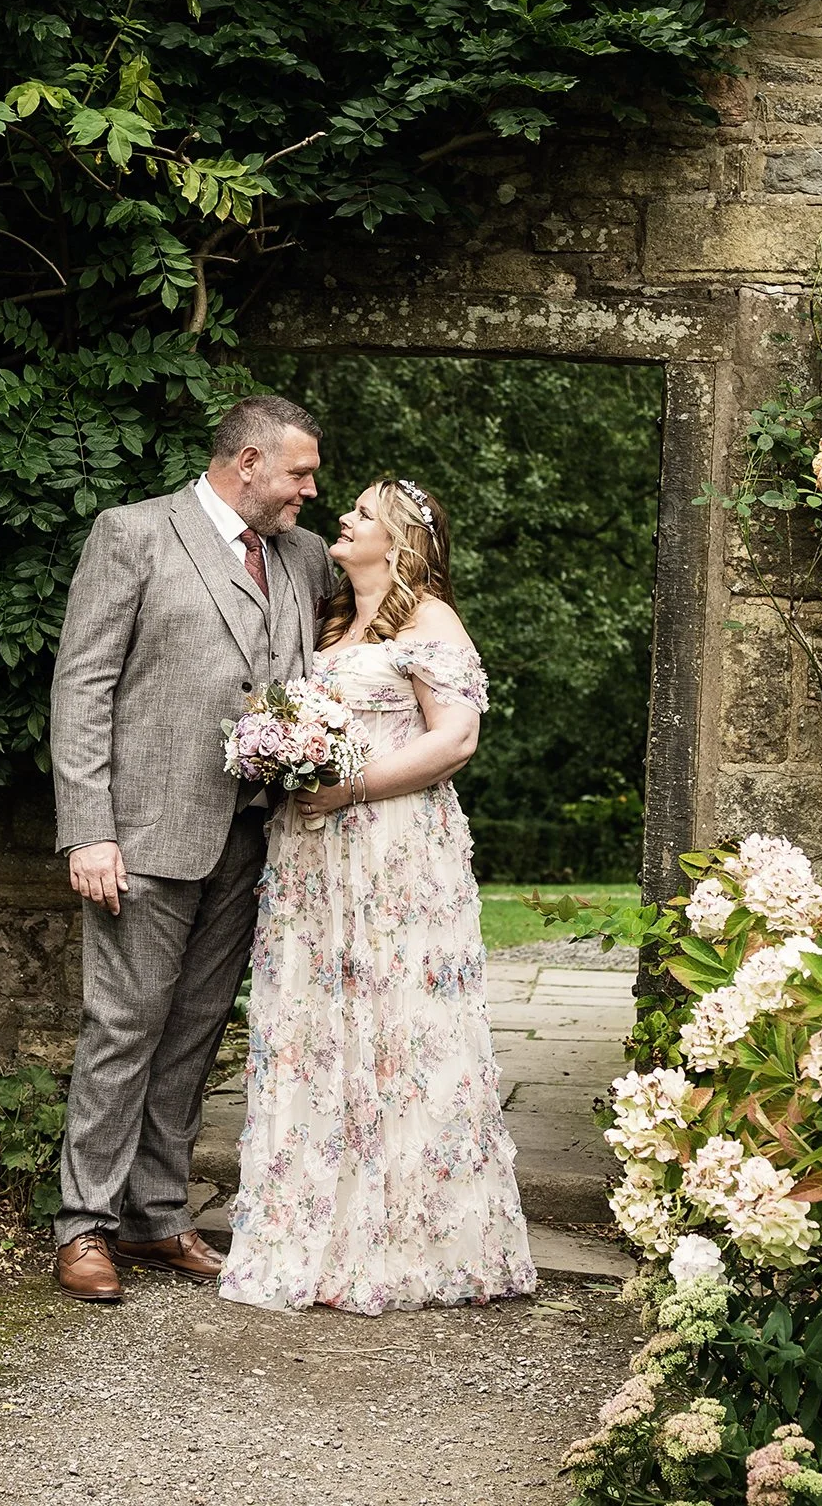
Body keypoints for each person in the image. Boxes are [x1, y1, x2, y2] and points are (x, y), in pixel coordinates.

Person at [220, 476, 538, 1314]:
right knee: (317, 1030)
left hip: (394, 854)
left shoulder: (431, 620)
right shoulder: (331, 620)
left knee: (398, 1028)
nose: (344, 517)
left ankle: (408, 1240)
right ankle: (316, 1233)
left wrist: (349, 786)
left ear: (396, 541)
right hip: (314, 860)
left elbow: (456, 739)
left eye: (361, 512)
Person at [47, 394, 331, 1303]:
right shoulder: (132, 534)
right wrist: (88, 826)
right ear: (247, 462)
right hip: (146, 832)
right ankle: (82, 1224)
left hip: (256, 838)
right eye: (298, 473)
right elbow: (82, 685)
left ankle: (156, 1215)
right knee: (123, 1025)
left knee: (197, 1031)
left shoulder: (305, 557)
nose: (308, 492)